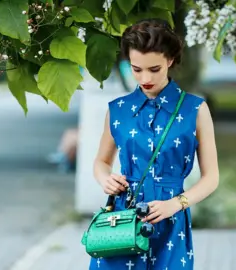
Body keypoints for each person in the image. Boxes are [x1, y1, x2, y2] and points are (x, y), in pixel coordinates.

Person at [90, 18, 219, 270]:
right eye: (136, 69)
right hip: (123, 222)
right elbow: (101, 162)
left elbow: (211, 177)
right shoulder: (117, 110)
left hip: (171, 222)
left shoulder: (195, 109)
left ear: (169, 60)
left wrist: (176, 204)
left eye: (154, 69)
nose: (145, 77)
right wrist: (104, 178)